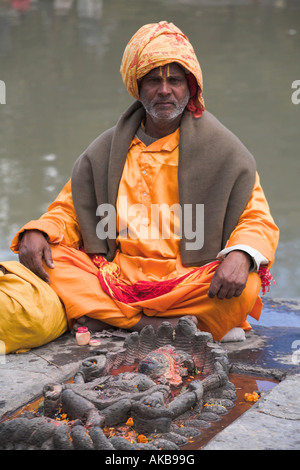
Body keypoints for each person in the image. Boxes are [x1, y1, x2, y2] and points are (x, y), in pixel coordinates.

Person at [10, 21, 279, 343]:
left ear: (190, 87)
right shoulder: (105, 151)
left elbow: (256, 219)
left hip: (187, 279)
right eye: (153, 80)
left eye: (175, 81)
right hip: (113, 274)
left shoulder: (224, 152)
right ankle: (163, 327)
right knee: (51, 258)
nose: (165, 90)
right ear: (137, 87)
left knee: (245, 285)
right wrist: (40, 230)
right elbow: (69, 211)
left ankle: (107, 319)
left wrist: (242, 255)